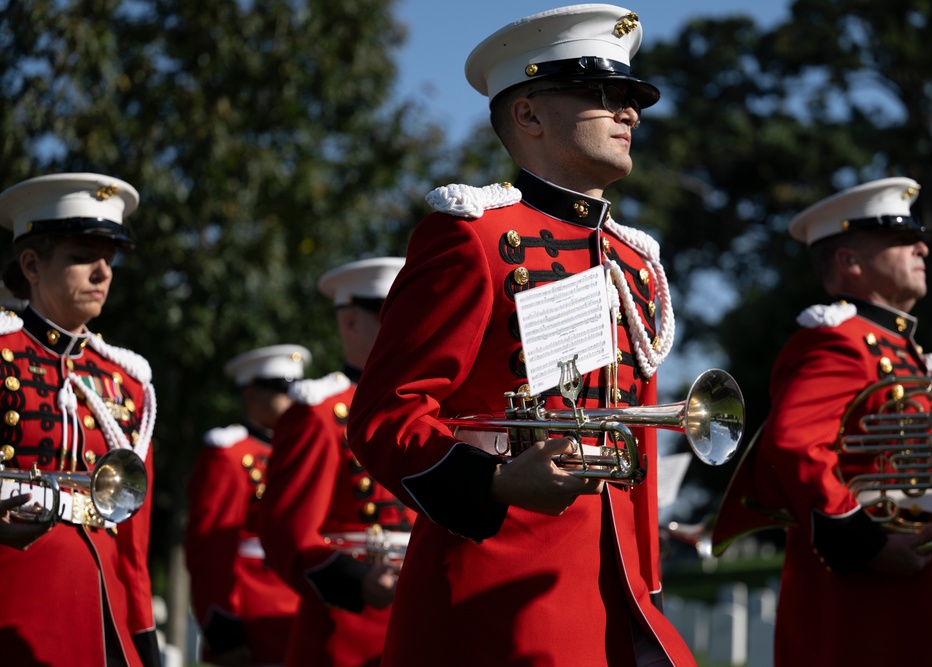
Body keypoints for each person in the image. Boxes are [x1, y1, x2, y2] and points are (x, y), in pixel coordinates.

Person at [347, 5, 697, 666]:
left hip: (614, 589)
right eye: (604, 95)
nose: (631, 114)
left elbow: (634, 444)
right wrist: (499, 484)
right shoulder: (473, 235)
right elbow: (384, 415)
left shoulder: (633, 262)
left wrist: (645, 585)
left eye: (632, 98)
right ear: (529, 115)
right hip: (495, 596)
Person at [711, 177, 932, 666]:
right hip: (873, 607)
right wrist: (865, 546)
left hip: (928, 594)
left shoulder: (909, 353)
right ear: (850, 262)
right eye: (901, 240)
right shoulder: (838, 341)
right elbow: (795, 446)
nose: (922, 247)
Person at [0, 173, 159, 666]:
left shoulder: (127, 382)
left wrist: (145, 642)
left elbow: (133, 544)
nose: (102, 273)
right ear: (31, 264)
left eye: (108, 259)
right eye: (81, 257)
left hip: (107, 618)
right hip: (15, 613)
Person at [259, 257, 416, 667]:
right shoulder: (319, 413)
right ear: (350, 324)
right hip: (347, 627)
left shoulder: (428, 408)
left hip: (422, 612)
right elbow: (289, 532)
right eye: (390, 316)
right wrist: (358, 581)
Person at [185, 344, 311, 665]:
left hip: (305, 612)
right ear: (251, 393)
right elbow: (210, 549)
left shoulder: (301, 451)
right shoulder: (228, 455)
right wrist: (221, 624)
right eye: (282, 389)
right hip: (255, 619)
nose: (292, 397)